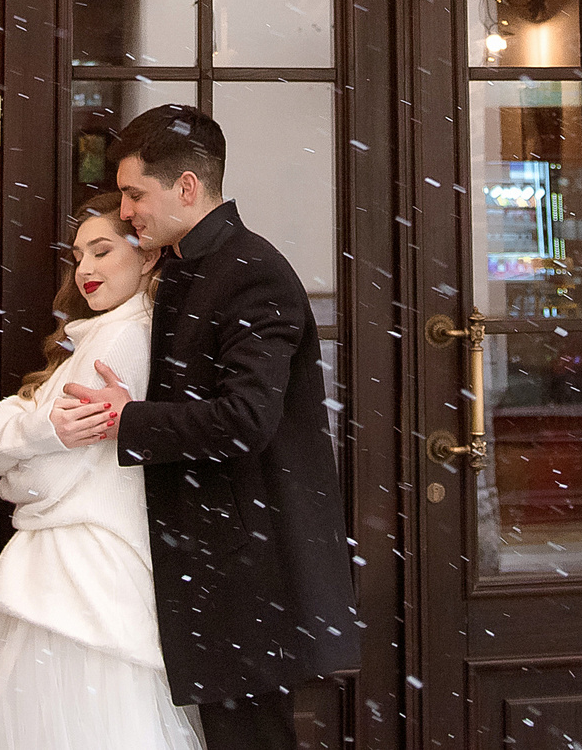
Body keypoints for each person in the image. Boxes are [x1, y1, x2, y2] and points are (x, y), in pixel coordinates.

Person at [51, 105, 358, 750]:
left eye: (135, 194)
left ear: (187, 187)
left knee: (251, 739)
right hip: (216, 558)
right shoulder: (191, 265)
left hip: (248, 564)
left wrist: (126, 418)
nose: (126, 211)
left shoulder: (252, 273)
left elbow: (244, 420)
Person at [0, 200, 204, 750]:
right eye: (78, 257)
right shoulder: (97, 334)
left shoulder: (123, 338)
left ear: (147, 258)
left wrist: (22, 444)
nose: (85, 270)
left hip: (85, 566)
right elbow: (9, 448)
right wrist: (35, 434)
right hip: (73, 565)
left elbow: (37, 479)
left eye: (101, 251)